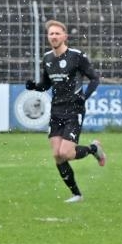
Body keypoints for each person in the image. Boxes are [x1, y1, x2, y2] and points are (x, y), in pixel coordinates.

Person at [25, 19, 105, 203]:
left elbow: (94, 79)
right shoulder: (47, 58)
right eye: (51, 34)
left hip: (74, 109)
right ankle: (77, 194)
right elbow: (46, 84)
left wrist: (84, 97)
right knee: (57, 155)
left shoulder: (76, 56)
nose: (53, 36)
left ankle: (94, 149)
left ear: (64, 36)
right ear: (48, 37)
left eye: (57, 33)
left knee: (66, 153)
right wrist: (34, 87)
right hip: (56, 110)